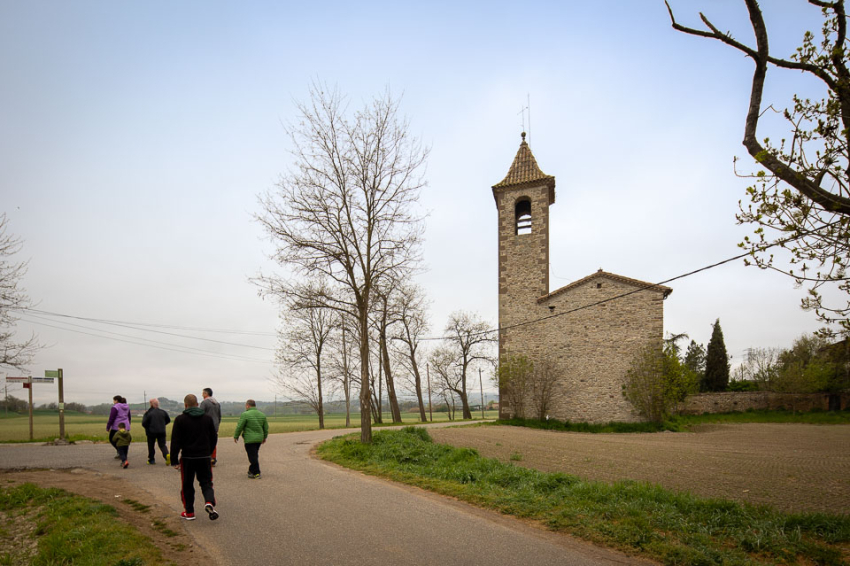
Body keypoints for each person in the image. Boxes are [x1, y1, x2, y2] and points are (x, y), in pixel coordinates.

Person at [170, 394, 219, 521]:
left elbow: (175, 441)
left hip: (188, 458)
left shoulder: (180, 419)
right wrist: (208, 451)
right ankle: (209, 502)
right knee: (206, 482)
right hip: (204, 456)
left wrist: (174, 460)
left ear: (185, 405)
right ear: (197, 404)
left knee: (187, 484)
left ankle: (189, 512)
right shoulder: (207, 419)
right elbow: (214, 437)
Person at [233, 399, 268, 479]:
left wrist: (236, 436)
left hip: (249, 439)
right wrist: (264, 437)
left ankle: (257, 473)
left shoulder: (245, 414)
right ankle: (251, 471)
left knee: (252, 457)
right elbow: (266, 428)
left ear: (248, 405)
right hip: (259, 438)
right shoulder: (262, 415)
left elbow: (240, 426)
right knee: (254, 455)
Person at [141, 398, 171, 465]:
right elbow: (168, 420)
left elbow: (144, 423)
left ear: (151, 404)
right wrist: (162, 424)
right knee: (162, 445)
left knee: (151, 446)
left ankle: (151, 459)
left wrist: (148, 428)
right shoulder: (163, 412)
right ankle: (167, 455)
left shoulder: (148, 413)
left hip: (151, 432)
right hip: (162, 431)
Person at [200, 388, 222, 466]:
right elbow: (219, 416)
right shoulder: (217, 403)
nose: (202, 394)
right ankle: (213, 458)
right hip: (215, 425)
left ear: (206, 394)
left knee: (205, 442)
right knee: (213, 442)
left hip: (206, 425)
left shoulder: (204, 402)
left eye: (203, 393)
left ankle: (206, 458)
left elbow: (200, 414)